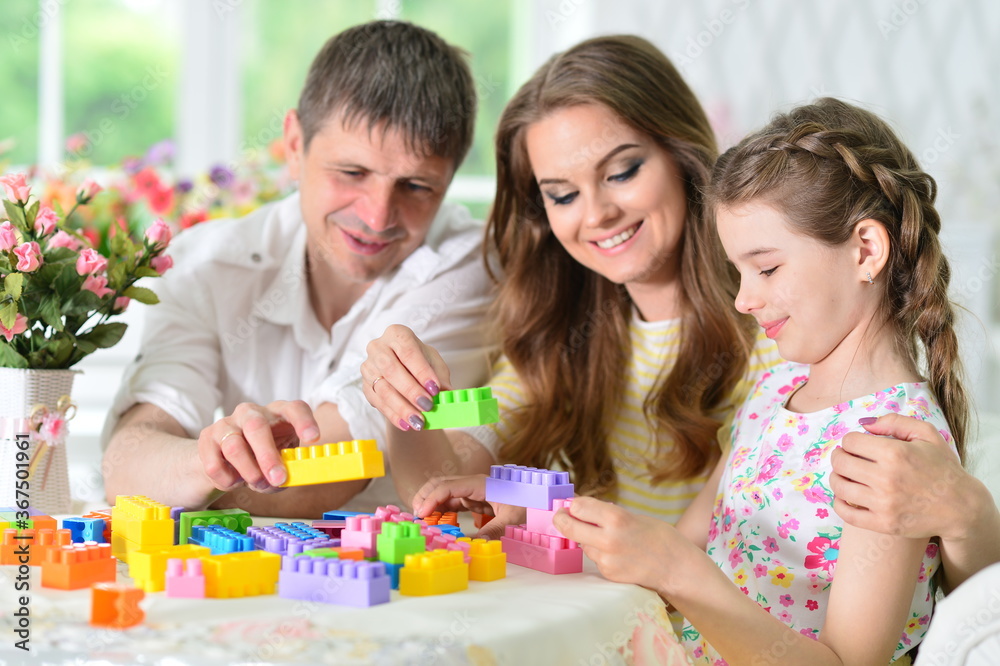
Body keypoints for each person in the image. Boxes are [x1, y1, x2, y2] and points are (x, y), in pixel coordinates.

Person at [554, 97, 970, 664]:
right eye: (739, 272)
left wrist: (683, 575)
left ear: (866, 250)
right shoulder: (775, 391)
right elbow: (686, 542)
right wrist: (543, 516)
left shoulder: (892, 451)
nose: (744, 300)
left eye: (767, 268)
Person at [360, 34, 781, 526]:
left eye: (622, 172)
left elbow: (743, 551)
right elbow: (442, 481)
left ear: (681, 154)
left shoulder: (778, 329)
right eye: (562, 196)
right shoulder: (566, 333)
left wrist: (541, 510)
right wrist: (408, 401)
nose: (597, 214)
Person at [101, 21, 495, 517]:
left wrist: (181, 486)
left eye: (416, 186)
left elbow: (337, 469)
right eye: (351, 173)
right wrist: (213, 461)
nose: (377, 217)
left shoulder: (465, 263)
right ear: (292, 145)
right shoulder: (206, 263)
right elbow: (128, 458)